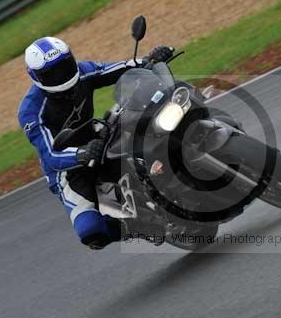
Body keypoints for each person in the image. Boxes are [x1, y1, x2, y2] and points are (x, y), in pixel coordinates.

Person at [17, 36, 173, 250]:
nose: (62, 75)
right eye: (52, 74)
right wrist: (82, 154)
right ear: (36, 77)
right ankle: (138, 228)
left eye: (64, 66)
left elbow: (116, 69)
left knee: (143, 125)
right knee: (91, 232)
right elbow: (50, 156)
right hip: (69, 169)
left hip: (97, 135)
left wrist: (149, 61)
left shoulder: (82, 72)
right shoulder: (31, 111)